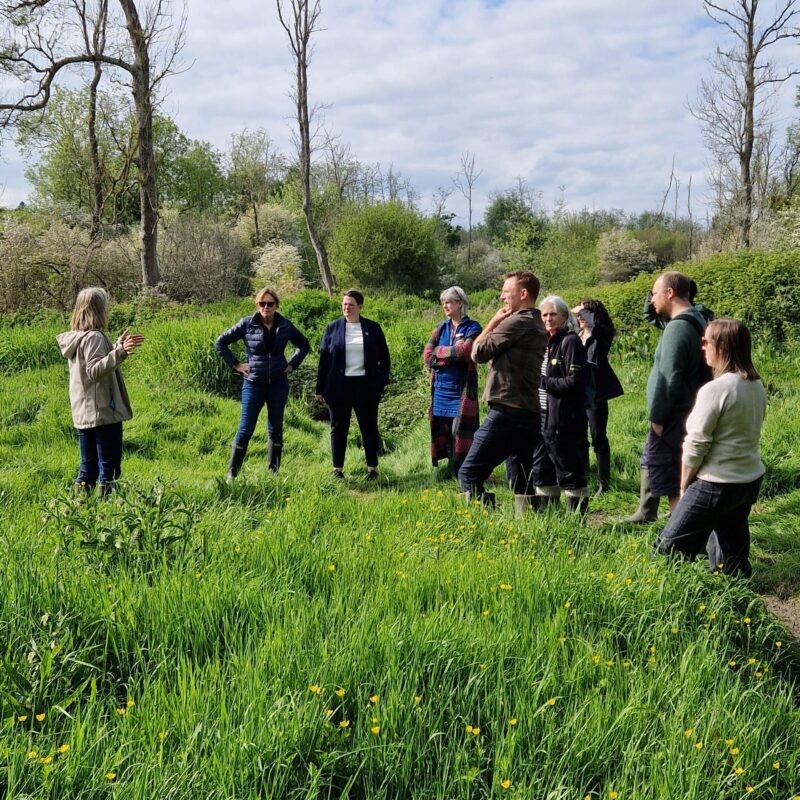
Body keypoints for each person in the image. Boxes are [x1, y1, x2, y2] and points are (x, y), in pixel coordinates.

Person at [655, 319, 766, 576]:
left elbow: (696, 443)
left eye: (706, 341)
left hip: (715, 483)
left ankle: (670, 600)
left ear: (723, 346)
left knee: (668, 549)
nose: (702, 347)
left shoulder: (716, 389)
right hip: (747, 481)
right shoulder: (755, 385)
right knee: (731, 554)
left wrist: (684, 485)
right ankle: (734, 600)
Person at [458, 270, 547, 514]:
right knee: (523, 478)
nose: (501, 298)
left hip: (507, 411)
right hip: (529, 412)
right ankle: (530, 528)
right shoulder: (538, 323)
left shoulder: (517, 321)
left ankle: (481, 527)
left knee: (469, 473)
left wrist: (494, 321)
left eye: (506, 292)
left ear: (523, 293)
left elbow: (477, 352)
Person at [624, 271, 710, 523]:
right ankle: (681, 532)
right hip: (690, 409)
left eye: (655, 293)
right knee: (680, 474)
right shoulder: (698, 318)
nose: (652, 299)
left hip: (673, 415)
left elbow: (668, 377)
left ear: (669, 293)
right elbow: (652, 314)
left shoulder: (677, 328)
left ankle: (682, 540)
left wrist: (658, 418)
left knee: (673, 480)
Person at [215, 287, 310, 479]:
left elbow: (304, 344)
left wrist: (292, 365)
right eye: (262, 303)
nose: (266, 307)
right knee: (246, 428)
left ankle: (273, 473)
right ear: (257, 305)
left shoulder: (285, 325)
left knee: (276, 427)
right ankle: (232, 475)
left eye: (270, 304)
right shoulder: (246, 324)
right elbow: (220, 343)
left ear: (276, 305)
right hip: (253, 384)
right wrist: (236, 364)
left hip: (278, 383)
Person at [56, 287, 144, 495]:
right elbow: (95, 371)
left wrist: (115, 347)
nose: (108, 310)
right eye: (106, 306)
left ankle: (80, 511)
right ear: (98, 309)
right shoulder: (94, 337)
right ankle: (105, 516)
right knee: (109, 469)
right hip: (103, 413)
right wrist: (120, 353)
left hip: (84, 413)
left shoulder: (78, 337)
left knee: (88, 468)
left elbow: (92, 364)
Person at [315, 290, 391, 480]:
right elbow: (324, 360)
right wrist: (319, 388)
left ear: (360, 307)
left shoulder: (373, 328)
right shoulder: (332, 328)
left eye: (351, 305)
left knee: (368, 427)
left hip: (365, 388)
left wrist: (380, 383)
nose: (346, 308)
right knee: (338, 428)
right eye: (344, 304)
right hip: (338, 387)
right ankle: (337, 469)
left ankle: (372, 468)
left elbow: (385, 359)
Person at [532, 296, 589, 514]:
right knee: (542, 469)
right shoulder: (544, 342)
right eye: (544, 314)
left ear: (565, 317)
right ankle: (550, 520)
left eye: (553, 314)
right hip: (542, 415)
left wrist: (543, 382)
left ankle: (577, 522)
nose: (548, 318)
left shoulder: (570, 341)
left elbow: (575, 381)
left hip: (563, 418)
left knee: (569, 470)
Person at [423, 286, 482, 479]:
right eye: (443, 303)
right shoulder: (441, 327)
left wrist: (441, 352)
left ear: (460, 303)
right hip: (441, 389)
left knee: (461, 432)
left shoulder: (473, 327)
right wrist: (450, 352)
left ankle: (464, 472)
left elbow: (466, 351)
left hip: (462, 390)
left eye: (448, 302)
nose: (445, 306)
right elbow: (427, 356)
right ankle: (451, 471)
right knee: (446, 432)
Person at [572, 298, 624, 495]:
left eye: (583, 314)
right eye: (578, 316)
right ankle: (584, 475)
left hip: (596, 393)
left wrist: (582, 308)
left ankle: (605, 483)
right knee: (579, 436)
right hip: (577, 391)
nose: (579, 317)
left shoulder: (601, 333)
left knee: (598, 437)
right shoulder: (577, 335)